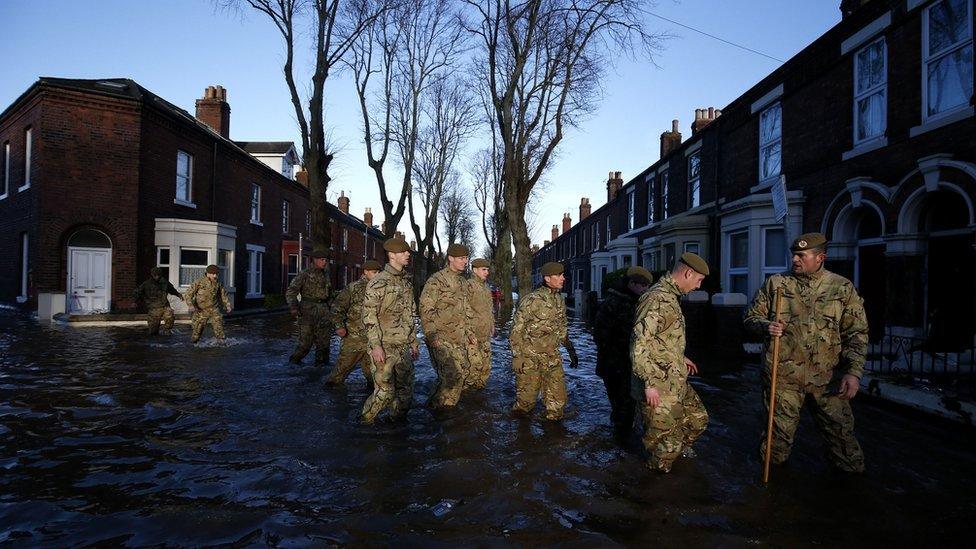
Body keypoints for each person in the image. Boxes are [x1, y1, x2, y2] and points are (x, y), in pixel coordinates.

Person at [744, 232, 869, 473]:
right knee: (774, 449)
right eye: (793, 255)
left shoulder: (841, 288)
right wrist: (765, 326)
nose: (795, 260)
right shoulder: (777, 284)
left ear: (820, 257)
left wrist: (854, 373)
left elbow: (857, 333)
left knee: (844, 447)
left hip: (827, 380)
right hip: (783, 379)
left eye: (801, 255)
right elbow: (750, 317)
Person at [631, 253, 709, 473]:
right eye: (698, 280)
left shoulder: (671, 297)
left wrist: (678, 356)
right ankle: (654, 487)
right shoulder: (656, 298)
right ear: (688, 273)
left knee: (698, 420)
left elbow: (661, 337)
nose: (698, 285)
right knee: (664, 448)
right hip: (657, 386)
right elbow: (639, 343)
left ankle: (675, 453)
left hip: (674, 379)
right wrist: (648, 383)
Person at [361, 237, 420, 424]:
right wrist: (376, 345)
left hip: (403, 346)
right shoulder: (379, 282)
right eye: (404, 252)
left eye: (407, 251)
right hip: (384, 346)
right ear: (392, 255)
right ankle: (364, 422)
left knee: (405, 394)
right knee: (385, 392)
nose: (408, 254)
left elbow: (410, 314)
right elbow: (369, 316)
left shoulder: (406, 283)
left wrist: (414, 342)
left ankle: (395, 427)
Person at [509, 261, 579, 420]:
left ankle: (553, 437)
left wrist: (571, 350)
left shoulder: (559, 300)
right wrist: (517, 357)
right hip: (529, 359)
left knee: (558, 404)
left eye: (563, 275)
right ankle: (521, 437)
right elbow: (516, 330)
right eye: (559, 275)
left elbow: (562, 328)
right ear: (547, 278)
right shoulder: (532, 300)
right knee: (525, 405)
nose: (563, 278)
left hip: (552, 358)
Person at [593, 266, 653, 438]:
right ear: (632, 283)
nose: (646, 290)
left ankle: (621, 437)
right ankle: (621, 444)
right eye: (643, 286)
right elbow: (600, 336)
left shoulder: (637, 302)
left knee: (627, 407)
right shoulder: (613, 303)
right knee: (623, 408)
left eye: (648, 286)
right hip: (615, 366)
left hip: (627, 366)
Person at [420, 243, 471, 408]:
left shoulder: (463, 282)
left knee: (462, 374)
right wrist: (432, 336)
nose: (465, 261)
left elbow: (465, 311)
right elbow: (426, 309)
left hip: (459, 337)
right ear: (451, 258)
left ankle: (439, 407)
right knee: (451, 377)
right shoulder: (437, 281)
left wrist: (469, 333)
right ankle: (441, 411)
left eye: (466, 258)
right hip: (441, 337)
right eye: (462, 258)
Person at [326, 259, 382, 387]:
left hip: (373, 340)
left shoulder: (381, 289)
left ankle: (370, 401)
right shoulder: (353, 288)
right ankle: (330, 396)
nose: (378, 275)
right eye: (374, 272)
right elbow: (337, 308)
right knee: (340, 372)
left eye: (379, 272)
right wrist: (339, 326)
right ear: (366, 272)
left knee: (374, 377)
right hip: (353, 337)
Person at [286, 248, 333, 369]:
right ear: (315, 260)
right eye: (322, 260)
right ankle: (293, 363)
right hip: (307, 311)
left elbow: (329, 294)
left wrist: (332, 308)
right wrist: (293, 307)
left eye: (326, 260)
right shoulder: (305, 274)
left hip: (324, 311)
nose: (324, 262)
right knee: (305, 343)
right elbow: (291, 291)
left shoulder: (326, 274)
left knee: (324, 342)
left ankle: (321, 367)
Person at [465, 258, 495, 390]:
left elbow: (489, 308)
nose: (487, 272)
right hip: (473, 336)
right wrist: (469, 333)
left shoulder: (486, 287)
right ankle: (465, 395)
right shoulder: (468, 286)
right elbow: (463, 311)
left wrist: (492, 324)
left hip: (485, 335)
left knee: (486, 368)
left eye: (487, 269)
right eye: (484, 269)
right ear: (475, 270)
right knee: (473, 368)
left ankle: (479, 396)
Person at [185, 264, 232, 343]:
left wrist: (228, 305)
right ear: (208, 273)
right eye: (213, 274)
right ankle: (194, 345)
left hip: (214, 309)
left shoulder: (218, 283)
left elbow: (223, 295)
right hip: (201, 310)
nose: (215, 276)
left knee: (219, 328)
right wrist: (190, 305)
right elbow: (188, 294)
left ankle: (221, 344)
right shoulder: (199, 282)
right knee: (197, 331)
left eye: (217, 274)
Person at [133, 267, 183, 335]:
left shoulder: (164, 282)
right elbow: (138, 292)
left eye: (158, 275)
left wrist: (179, 295)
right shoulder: (146, 284)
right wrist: (134, 301)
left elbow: (172, 290)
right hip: (154, 307)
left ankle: (167, 331)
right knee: (153, 330)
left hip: (165, 305)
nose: (157, 277)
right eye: (155, 275)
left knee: (170, 315)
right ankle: (154, 336)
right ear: (152, 275)